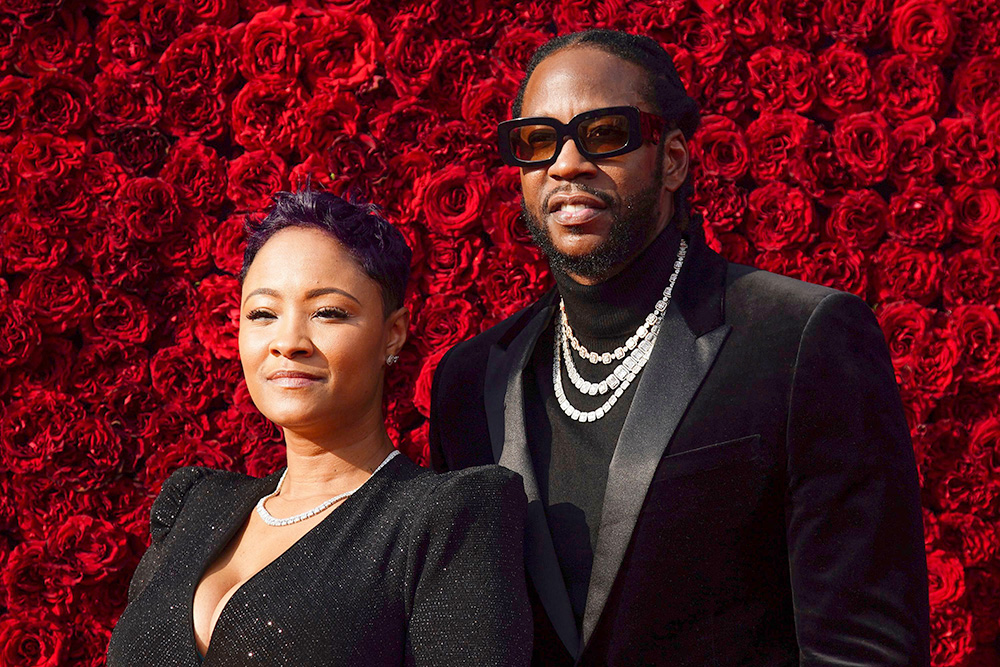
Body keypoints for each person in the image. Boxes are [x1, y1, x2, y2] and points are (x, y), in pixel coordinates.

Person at [430, 29, 929, 666]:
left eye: (605, 133)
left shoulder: (802, 338)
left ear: (672, 160)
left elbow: (864, 650)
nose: (566, 164)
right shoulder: (470, 383)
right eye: (537, 142)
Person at [108, 189, 532, 666]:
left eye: (327, 312)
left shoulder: (445, 518)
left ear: (393, 332)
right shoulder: (194, 504)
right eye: (263, 314)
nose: (288, 342)